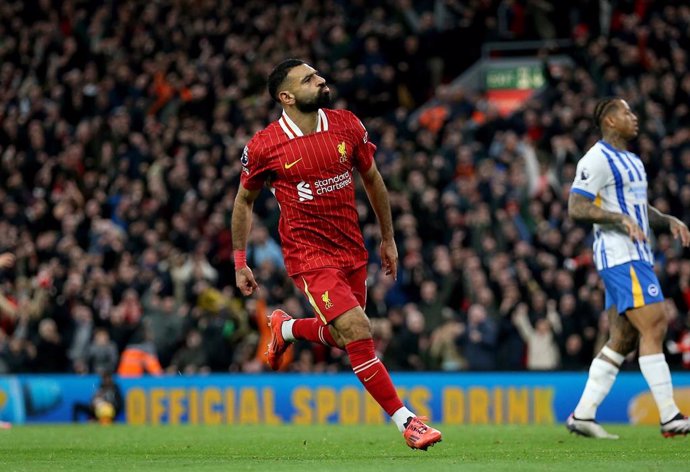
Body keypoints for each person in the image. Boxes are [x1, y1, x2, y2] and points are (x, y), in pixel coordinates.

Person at [232, 59, 442, 450]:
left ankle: (287, 328)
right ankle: (407, 422)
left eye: (317, 74)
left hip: (352, 250)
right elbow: (244, 201)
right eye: (309, 79)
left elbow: (373, 179)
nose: (320, 80)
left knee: (345, 336)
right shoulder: (264, 146)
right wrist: (240, 260)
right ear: (287, 96)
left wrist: (388, 238)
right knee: (359, 331)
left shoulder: (347, 124)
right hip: (308, 255)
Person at [567, 97, 690, 438]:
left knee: (623, 339)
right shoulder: (596, 158)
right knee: (656, 322)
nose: (634, 118)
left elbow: (638, 208)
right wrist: (617, 218)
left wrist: (666, 220)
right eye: (626, 112)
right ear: (608, 120)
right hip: (620, 255)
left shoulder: (633, 161)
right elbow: (576, 207)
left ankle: (583, 414)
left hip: (638, 253)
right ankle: (669, 416)